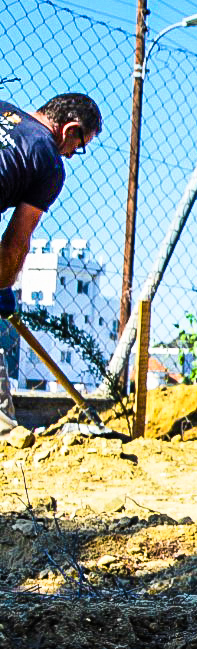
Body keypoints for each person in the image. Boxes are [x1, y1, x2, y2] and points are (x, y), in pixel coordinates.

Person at [0, 93, 100, 430]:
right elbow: (17, 241)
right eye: (78, 146)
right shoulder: (47, 159)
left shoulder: (3, 110)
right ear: (69, 129)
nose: (72, 154)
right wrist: (2, 284)